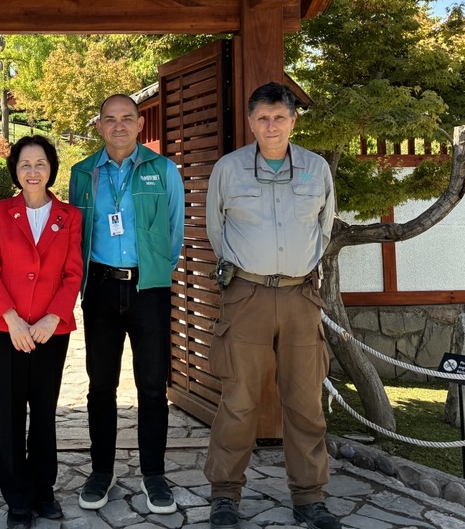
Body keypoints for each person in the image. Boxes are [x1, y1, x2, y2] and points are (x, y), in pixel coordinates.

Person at [203, 82, 337, 529]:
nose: (272, 125)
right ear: (250, 122)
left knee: (304, 400)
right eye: (263, 118)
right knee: (238, 398)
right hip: (246, 295)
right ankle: (224, 494)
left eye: (280, 117)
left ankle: (310, 497)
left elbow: (324, 226)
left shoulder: (316, 169)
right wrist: (244, 273)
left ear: (294, 120)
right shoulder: (229, 169)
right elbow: (215, 228)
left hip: (301, 296)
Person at [68, 94, 185, 515]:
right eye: (110, 119)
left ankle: (154, 474)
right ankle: (102, 470)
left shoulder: (163, 170)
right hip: (99, 288)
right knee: (101, 386)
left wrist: (152, 272)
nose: (118, 126)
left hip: (148, 290)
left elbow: (175, 230)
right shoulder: (83, 173)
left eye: (127, 119)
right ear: (98, 125)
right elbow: (76, 234)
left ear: (139, 125)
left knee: (153, 387)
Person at [0, 135, 83, 529]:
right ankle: (17, 498)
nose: (33, 171)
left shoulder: (69, 216)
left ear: (51, 168)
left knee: (43, 412)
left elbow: (73, 273)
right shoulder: (0, 212)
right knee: (10, 413)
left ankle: (44, 490)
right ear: (15, 170)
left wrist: (53, 318)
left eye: (40, 164)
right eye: (25, 164)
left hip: (50, 330)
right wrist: (12, 320)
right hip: (8, 329)